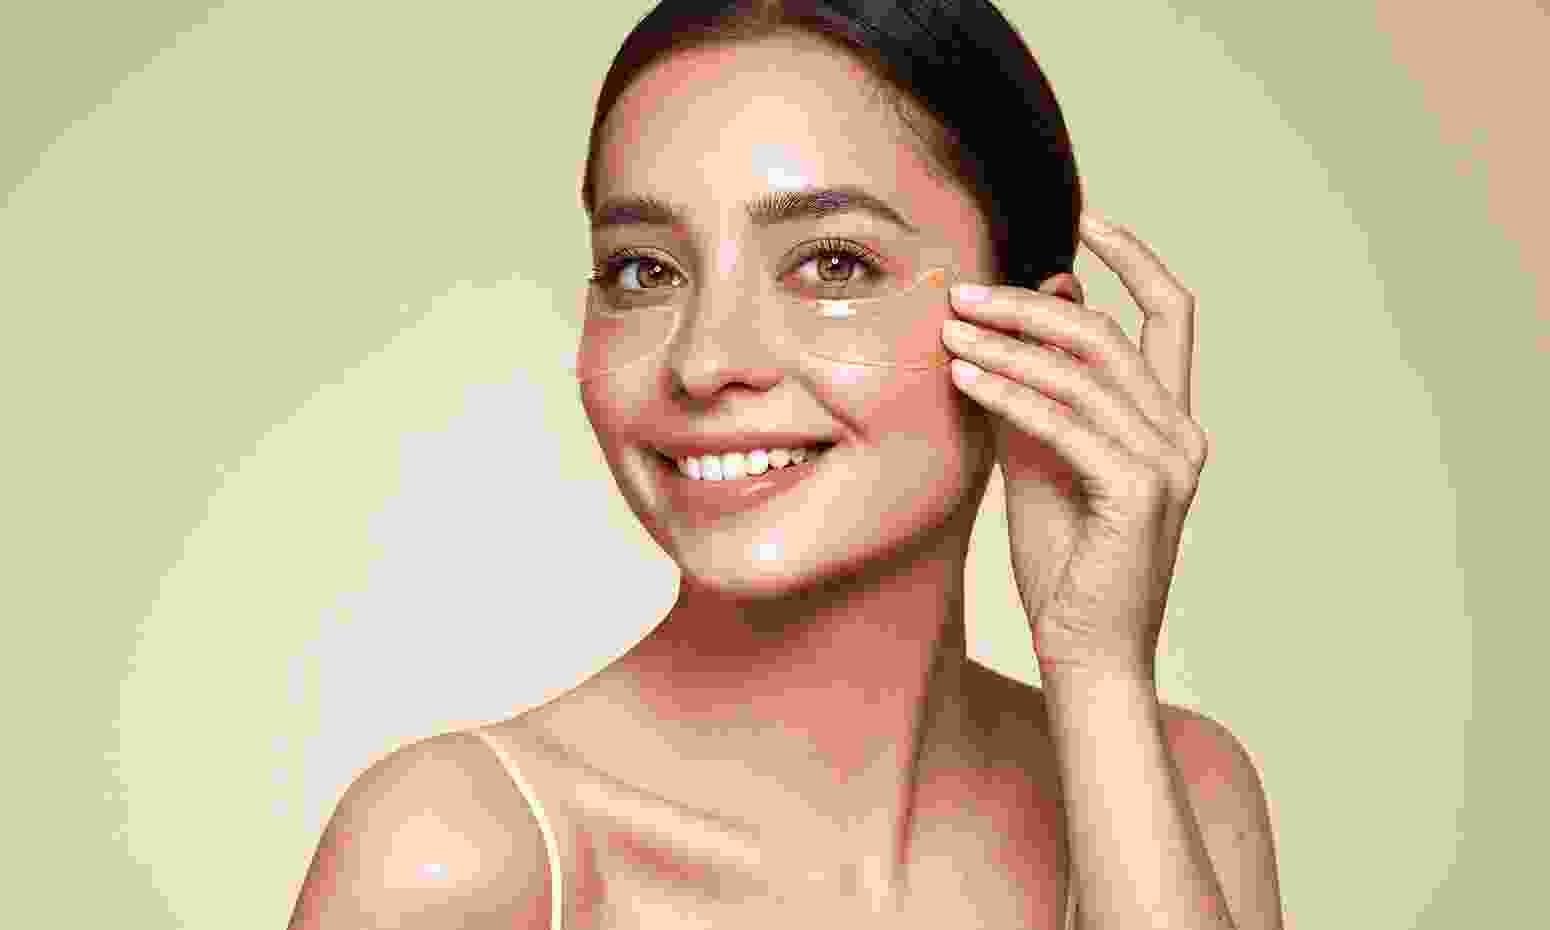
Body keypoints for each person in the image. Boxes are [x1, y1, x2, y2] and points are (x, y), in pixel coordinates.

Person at [288, 2, 1283, 927]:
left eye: (832, 264)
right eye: (643, 270)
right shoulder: (458, 855)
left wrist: (1097, 670)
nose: (704, 360)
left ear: (1040, 341)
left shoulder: (1178, 791)